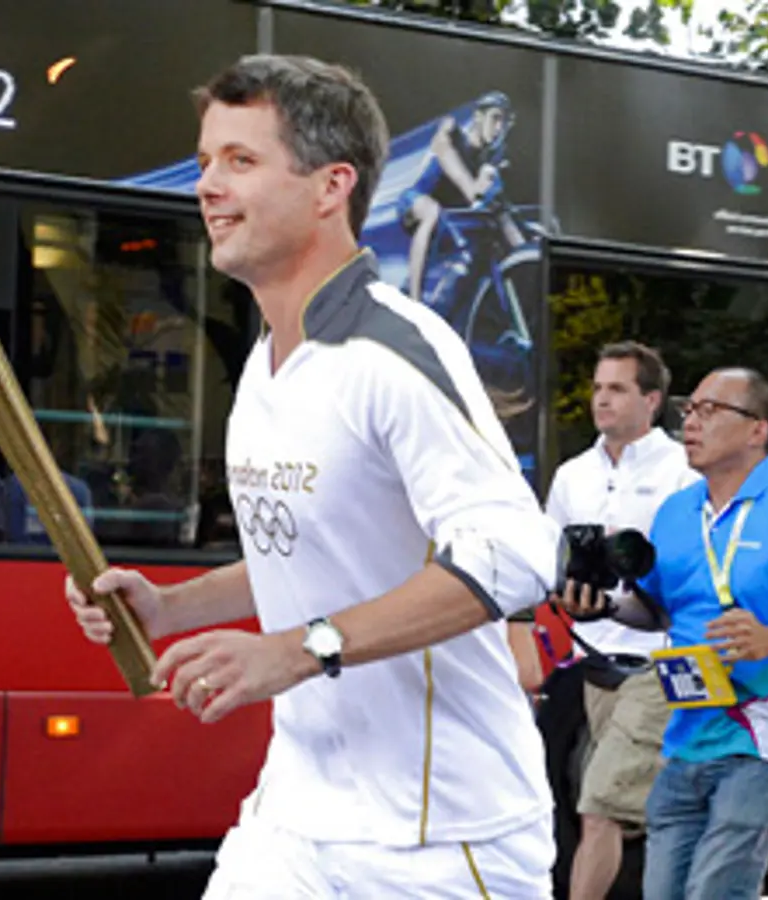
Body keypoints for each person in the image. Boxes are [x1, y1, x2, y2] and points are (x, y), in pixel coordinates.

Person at [64, 55, 563, 898]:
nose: (207, 187)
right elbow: (313, 549)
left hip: (439, 840)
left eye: (241, 161)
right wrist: (171, 605)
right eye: (206, 160)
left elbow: (517, 554)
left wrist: (299, 651)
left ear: (332, 186)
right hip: (296, 818)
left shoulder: (397, 352)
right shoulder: (266, 364)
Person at [562, 367, 768, 900]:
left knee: (715, 892)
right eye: (689, 411)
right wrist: (604, 609)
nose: (691, 424)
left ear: (758, 430)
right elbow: (656, 609)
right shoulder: (679, 512)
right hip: (685, 738)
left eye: (710, 411)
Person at [544, 340, 698, 900]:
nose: (600, 400)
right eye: (596, 387)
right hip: (588, 663)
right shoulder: (571, 476)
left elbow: (690, 574)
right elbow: (548, 562)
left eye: (616, 389)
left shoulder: (686, 472)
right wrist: (567, 592)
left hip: (658, 663)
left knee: (601, 805)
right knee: (627, 810)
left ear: (652, 400)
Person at [400, 91, 514, 306]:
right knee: (431, 212)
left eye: (504, 122)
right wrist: (474, 188)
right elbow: (443, 150)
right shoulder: (453, 131)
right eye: (495, 118)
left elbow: (494, 204)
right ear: (479, 117)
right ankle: (413, 302)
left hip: (451, 219)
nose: (499, 128)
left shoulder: (489, 161)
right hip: (416, 201)